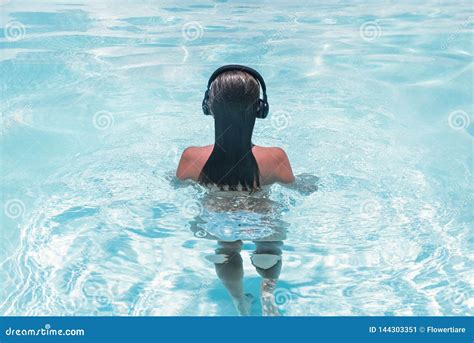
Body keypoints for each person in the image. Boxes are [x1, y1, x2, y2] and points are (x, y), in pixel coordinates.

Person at [176, 65, 294, 315]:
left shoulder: (191, 157)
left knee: (227, 250)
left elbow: (177, 184)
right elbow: (296, 189)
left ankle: (239, 300)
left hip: (216, 216)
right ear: (259, 110)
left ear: (209, 107)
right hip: (261, 214)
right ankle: (268, 295)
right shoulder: (275, 158)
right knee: (269, 246)